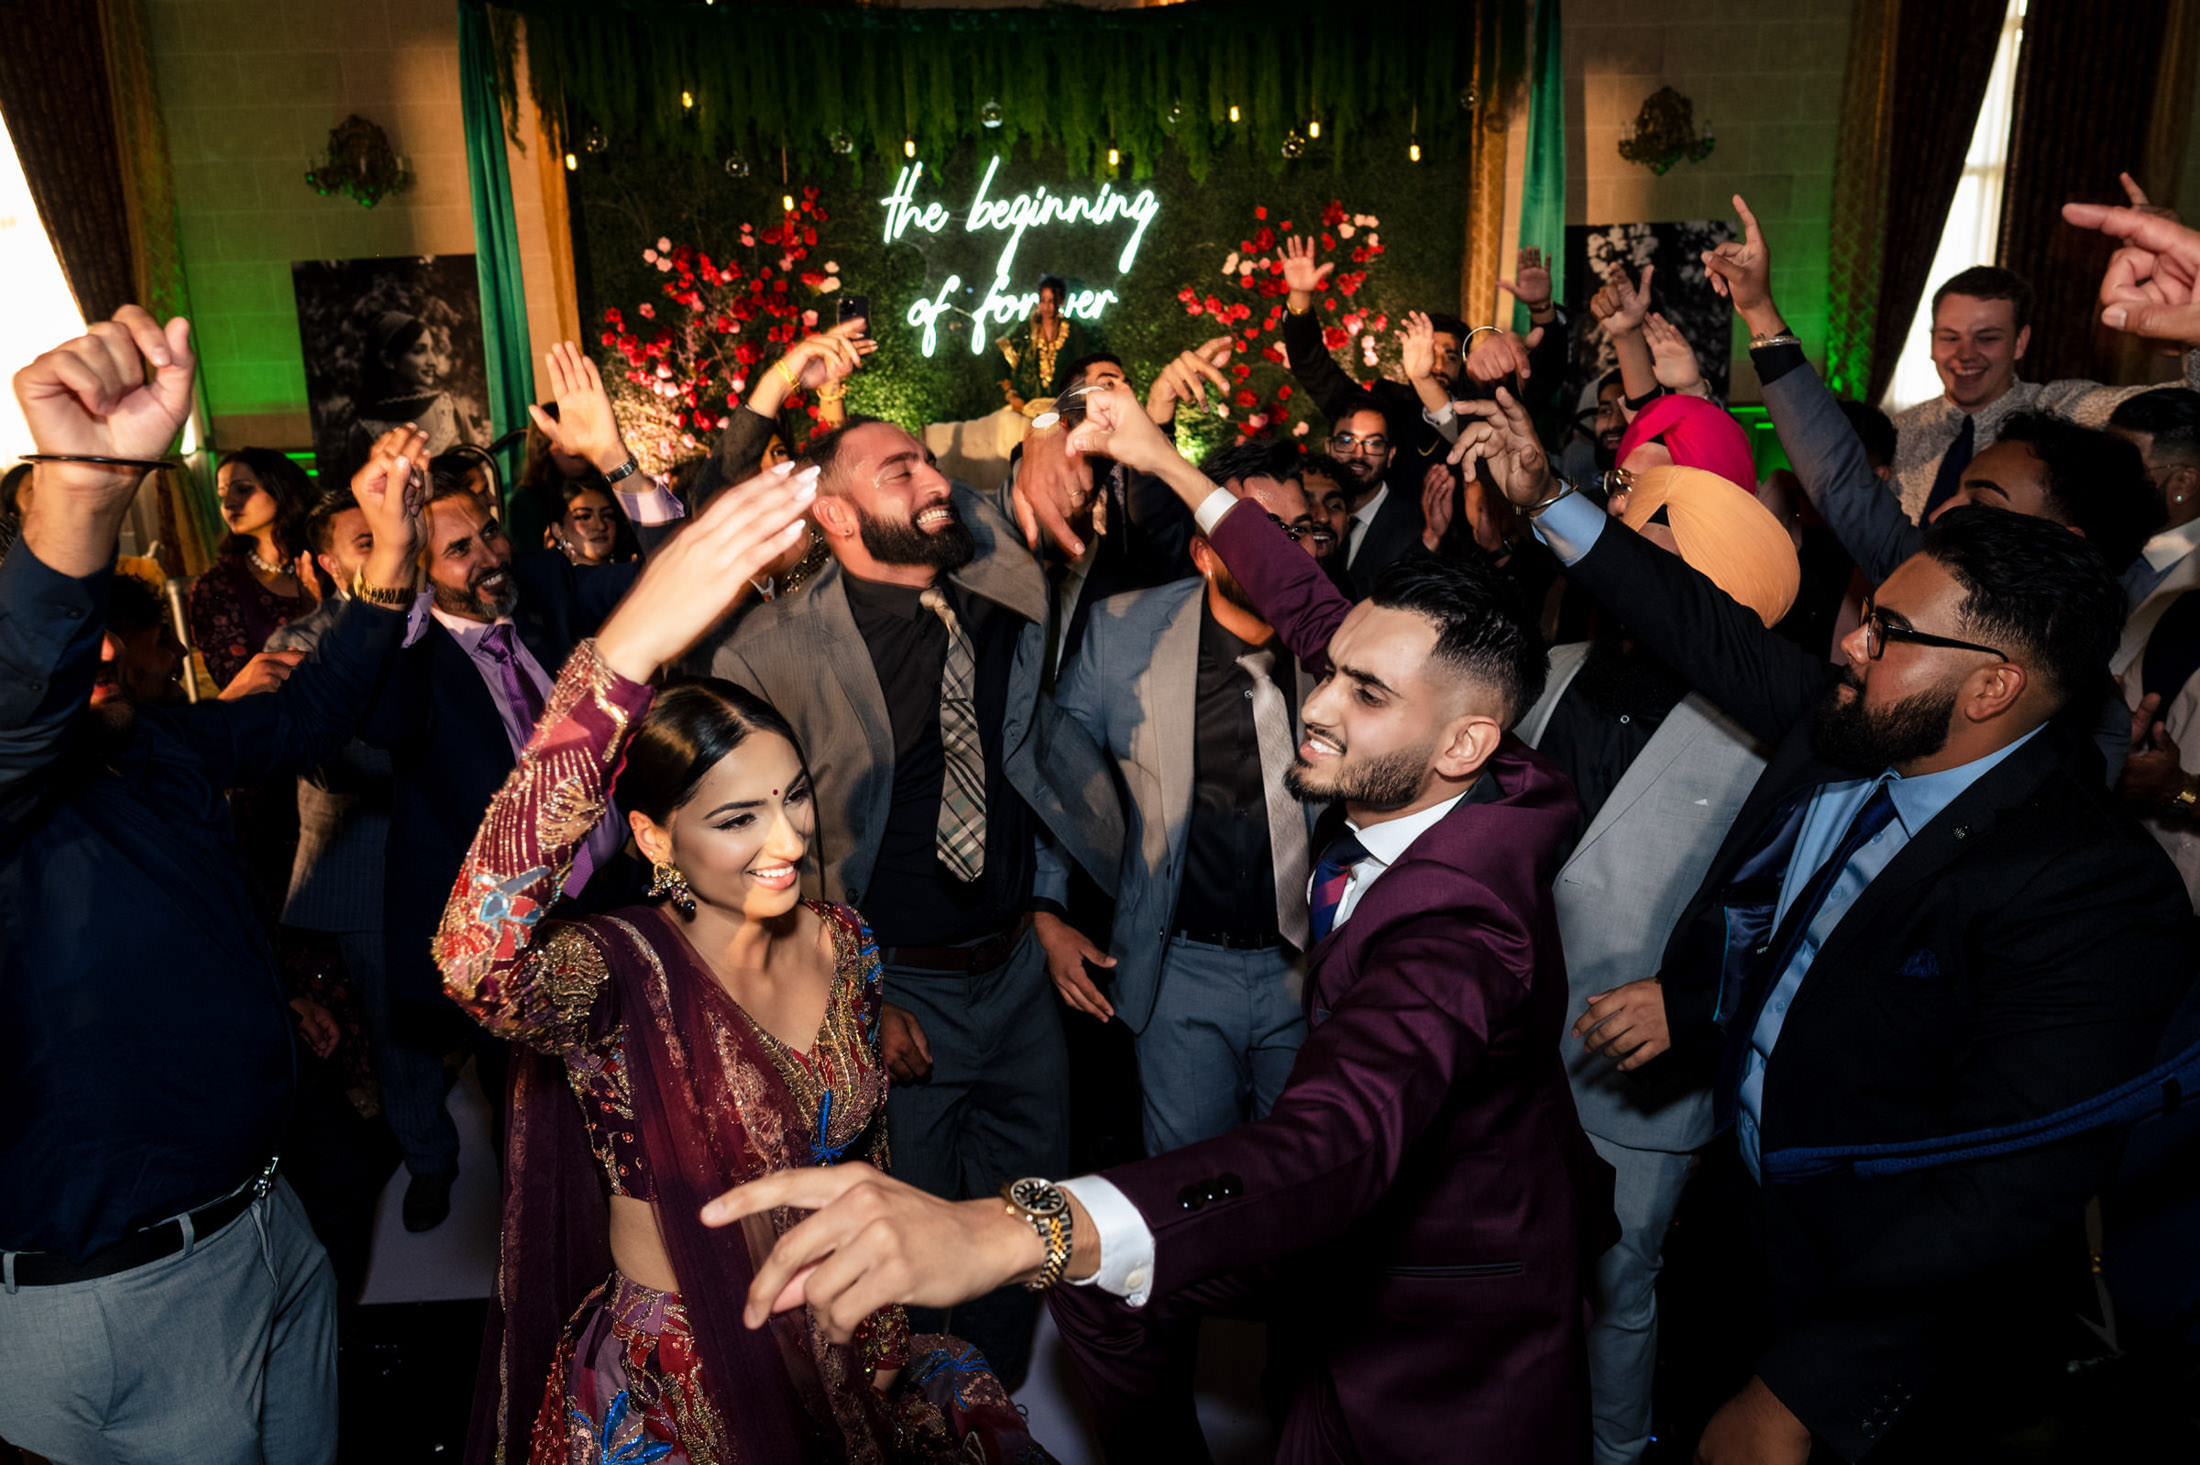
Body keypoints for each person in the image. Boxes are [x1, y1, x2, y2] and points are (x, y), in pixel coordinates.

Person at [700, 378, 1617, 1464]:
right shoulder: (1471, 755)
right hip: (1339, 1228)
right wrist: (1157, 458)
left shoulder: (1460, 924)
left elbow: (1334, 1143)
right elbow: (1310, 605)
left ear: (1461, 743)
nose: (1316, 704)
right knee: (1115, 1293)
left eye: (1360, 694)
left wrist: (1015, 1226)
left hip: (1446, 1325)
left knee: (1112, 1265)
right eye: (1327, 673)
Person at [1455, 384, 2196, 1462]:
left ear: (1991, 686)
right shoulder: (1847, 734)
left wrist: (1798, 1392)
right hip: (1737, 1222)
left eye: (1887, 633)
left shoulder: (2087, 890)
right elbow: (1692, 620)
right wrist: (1549, 502)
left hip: (1872, 1303)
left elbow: (2002, 1191)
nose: (1849, 645)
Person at [433, 460, 1046, 1463]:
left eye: (795, 796)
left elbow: (865, 1157)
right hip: (680, 1390)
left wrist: (881, 1323)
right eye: (736, 818)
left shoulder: (844, 940)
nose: (789, 842)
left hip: (845, 1351)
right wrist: (618, 658)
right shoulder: (614, 974)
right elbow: (471, 960)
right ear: (656, 839)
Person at [0, 306, 425, 1463]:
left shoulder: (159, 743)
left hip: (261, 1224)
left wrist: (387, 557)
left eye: (117, 635)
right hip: (113, 1296)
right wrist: (84, 487)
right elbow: (18, 699)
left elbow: (308, 712)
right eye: (79, 630)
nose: (102, 657)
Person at [700, 414, 1125, 1388]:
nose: (932, 479)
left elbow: (1028, 767)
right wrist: (855, 992)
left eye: (930, 461)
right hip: (901, 995)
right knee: (905, 1240)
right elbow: (762, 866)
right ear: (837, 516)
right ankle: (922, 1415)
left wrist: (1046, 909)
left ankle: (996, 1402)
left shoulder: (997, 589)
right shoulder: (772, 652)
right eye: (901, 470)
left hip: (1018, 977)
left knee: (1028, 1220)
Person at [1511, 464, 1793, 1465]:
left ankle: (1616, 1451)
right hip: (1503, 1044)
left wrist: (1693, 1003)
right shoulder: (1547, 666)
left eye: (1643, 530)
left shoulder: (1769, 735)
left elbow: (1787, 914)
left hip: (1639, 1069)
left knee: (1617, 1284)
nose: (1615, 539)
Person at [360, 460, 644, 1232]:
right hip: (517, 941)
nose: (488, 554)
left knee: (644, 1117)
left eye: (489, 531)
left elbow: (653, 569)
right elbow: (380, 723)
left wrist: (619, 462)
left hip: (619, 900)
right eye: (459, 549)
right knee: (544, 1151)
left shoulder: (546, 593)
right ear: (423, 575)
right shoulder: (411, 662)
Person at [1034, 442, 1322, 1155]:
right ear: (1203, 552)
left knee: (1306, 1186)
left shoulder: (1342, 640)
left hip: (1312, 967)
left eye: (1298, 531)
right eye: (1258, 533)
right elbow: (1058, 785)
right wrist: (1046, 914)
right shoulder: (1125, 633)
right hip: (1181, 969)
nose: (1285, 552)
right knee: (1194, 1195)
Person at [264, 482, 458, 1195]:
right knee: (397, 1025)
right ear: (324, 561)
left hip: (457, 851)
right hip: (365, 865)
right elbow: (336, 760)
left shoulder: (443, 621)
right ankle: (432, 1162)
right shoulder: (299, 643)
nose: (389, 550)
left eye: (392, 533)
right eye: (365, 540)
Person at [1888, 179, 2200, 525]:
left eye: (1987, 338)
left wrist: (2191, 313)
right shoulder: (1899, 432)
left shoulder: (2064, 412)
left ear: (2020, 342)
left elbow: (2190, 405)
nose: (1965, 354)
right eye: (1949, 338)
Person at [188, 446, 314, 688]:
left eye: (243, 489)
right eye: (221, 495)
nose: (229, 503)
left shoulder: (328, 560)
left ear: (282, 488)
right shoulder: (218, 585)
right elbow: (235, 683)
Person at [341, 308, 487, 476]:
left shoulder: (448, 409)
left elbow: (478, 471)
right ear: (388, 359)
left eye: (432, 350)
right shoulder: (363, 431)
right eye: (419, 351)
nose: (432, 361)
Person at [998, 274, 1089, 409]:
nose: (1048, 306)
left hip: (1063, 407)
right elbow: (1000, 359)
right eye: (1044, 300)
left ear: (1061, 301)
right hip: (1027, 407)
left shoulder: (1074, 330)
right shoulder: (1025, 330)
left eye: (1053, 301)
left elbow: (1084, 367)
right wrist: (1011, 394)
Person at [544, 479, 629, 565]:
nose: (601, 526)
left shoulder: (636, 571)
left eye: (608, 516)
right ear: (558, 530)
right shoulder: (546, 577)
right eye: (584, 517)